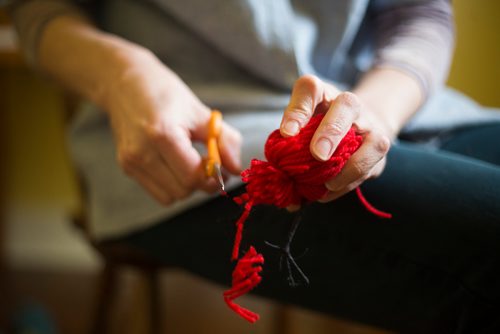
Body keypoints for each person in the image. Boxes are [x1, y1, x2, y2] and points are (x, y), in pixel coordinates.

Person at [7, 0, 500, 332]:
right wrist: (124, 74)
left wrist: (377, 113)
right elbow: (37, 9)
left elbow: (421, 14)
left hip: (393, 106)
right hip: (195, 142)